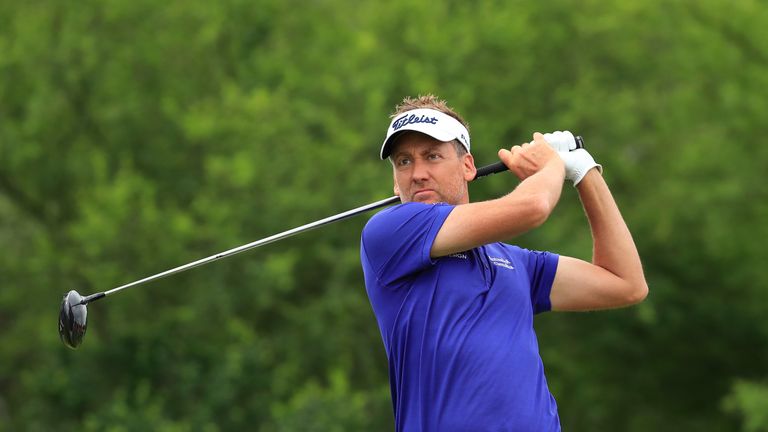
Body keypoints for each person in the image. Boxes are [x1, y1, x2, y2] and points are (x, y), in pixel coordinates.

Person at [359, 95, 648, 432]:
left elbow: (626, 283)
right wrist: (552, 164)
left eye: (432, 156)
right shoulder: (390, 232)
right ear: (395, 181)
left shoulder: (515, 262)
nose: (418, 173)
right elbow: (534, 207)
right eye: (404, 162)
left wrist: (584, 171)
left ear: (468, 166)